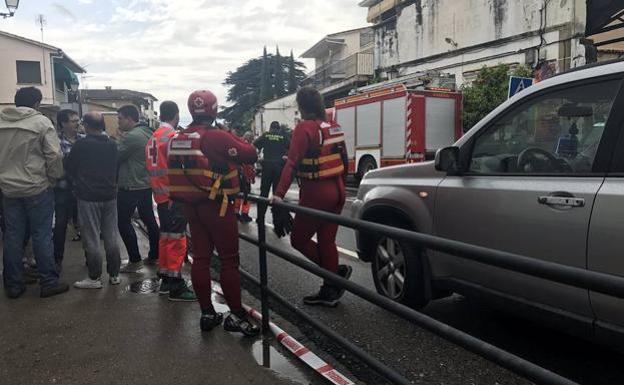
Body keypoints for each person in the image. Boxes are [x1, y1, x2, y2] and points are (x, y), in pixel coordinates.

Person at [167, 89, 260, 336]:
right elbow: (250, 153)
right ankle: (237, 316)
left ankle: (208, 313)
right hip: (217, 206)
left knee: (201, 258)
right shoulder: (217, 136)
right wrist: (230, 134)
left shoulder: (180, 136)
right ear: (214, 110)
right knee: (229, 260)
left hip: (191, 207)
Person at [271, 87, 352, 307]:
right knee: (327, 241)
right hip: (338, 190)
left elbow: (291, 164)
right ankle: (330, 287)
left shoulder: (304, 128)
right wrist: (342, 185)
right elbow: (344, 159)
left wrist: (278, 195)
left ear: (301, 106)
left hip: (317, 192)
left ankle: (334, 275)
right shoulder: (333, 126)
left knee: (298, 240)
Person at [0, 87, 69, 298]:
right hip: (37, 187)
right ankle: (48, 282)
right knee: (41, 235)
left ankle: (13, 284)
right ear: (37, 104)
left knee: (12, 235)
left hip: (8, 189)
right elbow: (54, 156)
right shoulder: (41, 123)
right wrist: (53, 178)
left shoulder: (2, 123)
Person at [145, 101, 196, 301]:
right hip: (174, 195)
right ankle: (176, 285)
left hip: (160, 195)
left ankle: (166, 278)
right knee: (177, 239)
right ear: (176, 115)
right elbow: (184, 166)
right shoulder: (172, 138)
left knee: (166, 237)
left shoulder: (153, 138)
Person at [66, 112, 121, 288]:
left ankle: (94, 277)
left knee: (91, 237)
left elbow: (69, 167)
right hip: (110, 195)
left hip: (88, 196)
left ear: (87, 126)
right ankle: (114, 274)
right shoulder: (113, 144)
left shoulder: (81, 145)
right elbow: (117, 168)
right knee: (111, 235)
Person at [116, 105, 160, 272]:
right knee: (149, 219)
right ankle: (155, 255)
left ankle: (135, 260)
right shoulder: (149, 132)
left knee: (123, 222)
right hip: (146, 183)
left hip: (130, 184)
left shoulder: (132, 137)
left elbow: (117, 156)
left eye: (120, 118)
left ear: (129, 119)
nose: (118, 122)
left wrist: (119, 139)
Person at [53, 109, 83, 271]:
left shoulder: (84, 140)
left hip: (82, 190)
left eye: (78, 120)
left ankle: (90, 258)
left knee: (85, 225)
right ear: (63, 123)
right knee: (60, 225)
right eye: (73, 121)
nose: (77, 123)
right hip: (62, 190)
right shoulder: (55, 142)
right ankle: (57, 260)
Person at [253, 120, 289, 221]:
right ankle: (276, 220)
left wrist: (258, 158)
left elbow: (254, 145)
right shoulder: (283, 137)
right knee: (276, 195)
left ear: (270, 128)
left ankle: (260, 218)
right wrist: (285, 156)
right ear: (278, 128)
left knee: (263, 193)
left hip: (267, 167)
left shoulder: (266, 135)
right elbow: (291, 147)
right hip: (278, 167)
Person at [234, 131, 256, 223]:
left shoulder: (237, 144)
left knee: (238, 194)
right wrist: (252, 177)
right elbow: (251, 165)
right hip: (245, 175)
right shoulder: (250, 148)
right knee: (247, 195)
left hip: (237, 174)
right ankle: (245, 214)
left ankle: (236, 213)